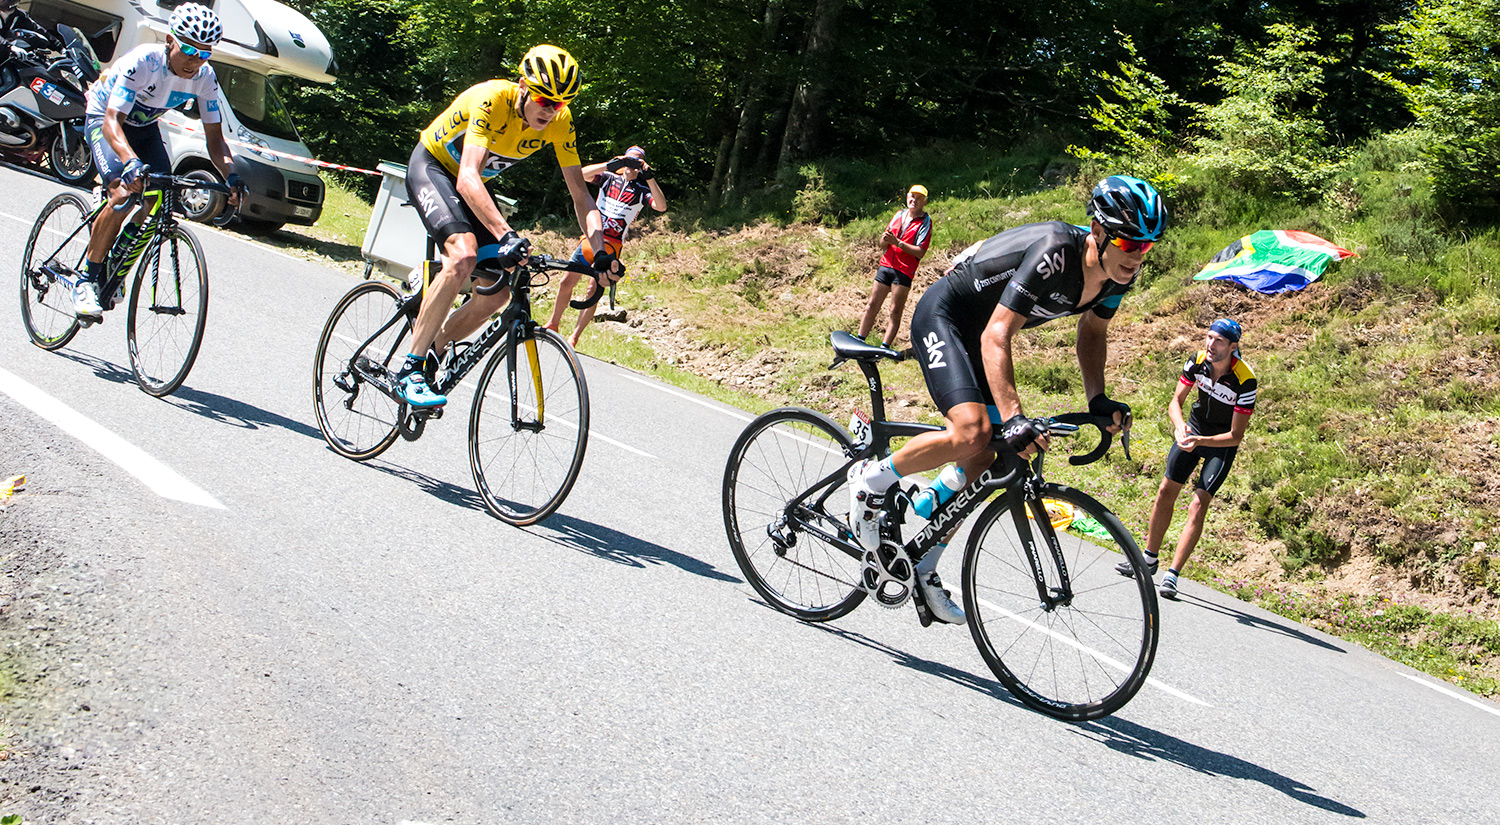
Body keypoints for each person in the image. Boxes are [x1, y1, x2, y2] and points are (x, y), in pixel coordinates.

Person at [846, 175, 1167, 624]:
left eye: (1147, 247)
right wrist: (1014, 417)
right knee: (975, 431)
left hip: (980, 336)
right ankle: (871, 480)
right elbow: (998, 334)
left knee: (992, 459)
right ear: (1098, 232)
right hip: (947, 317)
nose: (1137, 257)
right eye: (1130, 243)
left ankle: (924, 564)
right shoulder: (1056, 252)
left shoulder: (1116, 276)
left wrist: (1097, 398)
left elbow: (1092, 331)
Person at [397, 43, 610, 408]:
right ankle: (409, 370)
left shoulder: (560, 122)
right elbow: (466, 177)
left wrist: (600, 253)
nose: (551, 110)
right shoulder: (492, 99)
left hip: (470, 187)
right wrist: (506, 234)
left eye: (559, 103)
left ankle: (435, 343)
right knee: (463, 255)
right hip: (433, 168)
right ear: (524, 86)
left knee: (498, 293)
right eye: (544, 99)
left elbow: (581, 196)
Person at [74, 3, 241, 320]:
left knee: (158, 196)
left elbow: (215, 139)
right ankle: (86, 279)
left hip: (145, 128)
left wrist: (231, 175)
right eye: (189, 49)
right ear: (170, 41)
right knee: (123, 195)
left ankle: (116, 259)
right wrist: (129, 164)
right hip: (106, 120)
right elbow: (112, 121)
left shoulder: (205, 78)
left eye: (204, 53)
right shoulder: (144, 61)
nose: (195, 60)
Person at [1118, 318, 1256, 600]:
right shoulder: (1198, 361)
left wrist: (1200, 441)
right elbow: (1175, 402)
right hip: (1194, 430)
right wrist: (1181, 427)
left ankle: (1173, 574)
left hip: (1219, 443)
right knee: (1166, 490)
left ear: (1233, 346)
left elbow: (1235, 436)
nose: (1211, 345)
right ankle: (1149, 559)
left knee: (1198, 502)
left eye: (1218, 341)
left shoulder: (1245, 379)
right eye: (1209, 337)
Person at [544, 144, 666, 347]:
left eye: (637, 163)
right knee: (566, 281)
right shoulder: (609, 178)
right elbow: (581, 175)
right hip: (590, 238)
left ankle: (574, 337)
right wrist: (610, 165)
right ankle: (553, 323)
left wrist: (650, 176)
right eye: (629, 160)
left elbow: (661, 206)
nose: (632, 166)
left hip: (613, 245)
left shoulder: (642, 190)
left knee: (594, 288)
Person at [856, 184, 931, 347]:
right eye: (912, 196)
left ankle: (885, 347)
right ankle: (860, 339)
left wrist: (898, 243)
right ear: (907, 197)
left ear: (925, 202)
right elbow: (882, 243)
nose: (914, 200)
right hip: (886, 265)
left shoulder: (925, 222)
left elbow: (920, 251)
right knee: (871, 305)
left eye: (919, 198)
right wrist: (886, 239)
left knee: (894, 311)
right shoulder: (899, 215)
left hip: (903, 271)